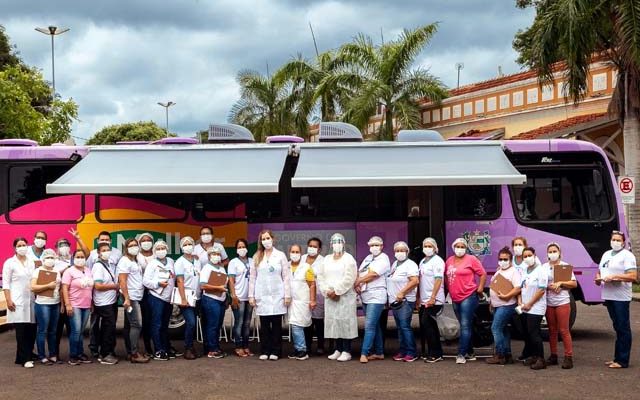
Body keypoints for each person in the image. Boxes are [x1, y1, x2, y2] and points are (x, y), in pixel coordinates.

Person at [595, 230, 637, 369]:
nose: (615, 242)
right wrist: (598, 278)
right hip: (608, 294)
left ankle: (623, 360)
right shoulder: (606, 254)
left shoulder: (627, 255)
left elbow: (632, 276)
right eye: (613, 239)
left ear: (623, 242)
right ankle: (617, 358)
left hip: (621, 296)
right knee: (617, 326)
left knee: (623, 327)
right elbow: (601, 270)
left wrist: (615, 277)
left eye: (618, 240)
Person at [248, 230, 291, 361]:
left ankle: (276, 351)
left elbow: (286, 276)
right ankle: (265, 350)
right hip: (263, 296)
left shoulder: (280, 255)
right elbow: (253, 278)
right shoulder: (257, 256)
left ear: (272, 239)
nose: (266, 241)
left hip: (278, 296)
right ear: (261, 241)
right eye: (263, 239)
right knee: (265, 326)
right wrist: (251, 296)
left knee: (277, 325)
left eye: (268, 238)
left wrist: (287, 295)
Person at [445, 238, 487, 365]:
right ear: (453, 247)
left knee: (465, 325)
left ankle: (461, 354)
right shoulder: (449, 260)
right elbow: (446, 277)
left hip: (468, 296)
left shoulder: (471, 259)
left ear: (466, 248)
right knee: (464, 325)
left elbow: (483, 273)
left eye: (462, 246)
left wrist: (480, 288)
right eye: (457, 246)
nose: (460, 248)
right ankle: (470, 352)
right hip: (455, 297)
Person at [317, 233, 358, 362]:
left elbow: (349, 277)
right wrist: (327, 291)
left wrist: (337, 291)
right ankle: (338, 349)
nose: (337, 244)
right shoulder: (327, 259)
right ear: (331, 244)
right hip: (330, 296)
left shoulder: (349, 258)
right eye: (334, 241)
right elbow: (321, 277)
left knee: (345, 322)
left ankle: (347, 350)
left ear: (344, 243)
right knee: (334, 322)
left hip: (344, 297)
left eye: (339, 241)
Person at [354, 236, 390, 363]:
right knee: (376, 325)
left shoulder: (384, 258)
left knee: (369, 325)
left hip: (377, 295)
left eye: (376, 245)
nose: (374, 247)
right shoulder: (368, 258)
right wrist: (358, 284)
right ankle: (379, 352)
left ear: (381, 246)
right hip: (365, 295)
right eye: (372, 245)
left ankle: (364, 352)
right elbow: (361, 272)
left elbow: (374, 274)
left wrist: (358, 281)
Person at [87, 231, 121, 359]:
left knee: (110, 326)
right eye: (103, 250)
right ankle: (103, 352)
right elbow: (97, 285)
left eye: (108, 249)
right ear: (99, 253)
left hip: (112, 300)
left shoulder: (112, 261)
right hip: (102, 302)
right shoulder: (97, 265)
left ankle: (109, 350)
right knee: (105, 326)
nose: (106, 251)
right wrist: (114, 286)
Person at [3, 237, 37, 368]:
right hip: (17, 300)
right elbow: (6, 283)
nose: (22, 247)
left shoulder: (31, 262)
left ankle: (23, 355)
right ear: (15, 248)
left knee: (31, 330)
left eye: (24, 244)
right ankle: (25, 359)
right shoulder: (10, 263)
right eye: (19, 245)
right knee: (21, 331)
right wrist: (8, 299)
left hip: (31, 299)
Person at [486, 247, 521, 365]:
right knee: (504, 329)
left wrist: (507, 296)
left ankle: (499, 355)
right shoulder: (499, 270)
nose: (503, 261)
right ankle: (507, 354)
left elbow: (517, 288)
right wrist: (491, 301)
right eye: (500, 259)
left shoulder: (514, 272)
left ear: (510, 260)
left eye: (505, 259)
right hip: (497, 304)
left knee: (495, 328)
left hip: (507, 304)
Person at [544, 242, 577, 369]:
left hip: (562, 302)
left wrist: (561, 283)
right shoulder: (543, 267)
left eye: (554, 251)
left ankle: (568, 357)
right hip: (549, 302)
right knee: (552, 330)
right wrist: (550, 286)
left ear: (559, 252)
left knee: (564, 330)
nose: (552, 254)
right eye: (550, 251)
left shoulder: (565, 266)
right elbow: (540, 283)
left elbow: (574, 284)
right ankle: (553, 356)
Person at [117, 238, 149, 364]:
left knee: (129, 325)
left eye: (136, 245)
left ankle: (131, 352)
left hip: (136, 296)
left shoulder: (134, 260)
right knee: (136, 324)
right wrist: (127, 298)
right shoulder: (124, 261)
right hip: (131, 297)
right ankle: (134, 354)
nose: (134, 247)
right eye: (131, 245)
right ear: (126, 248)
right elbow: (122, 281)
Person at [143, 240, 176, 361]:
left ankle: (166, 348)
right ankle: (158, 350)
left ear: (167, 249)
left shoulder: (171, 261)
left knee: (164, 325)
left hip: (168, 298)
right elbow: (145, 281)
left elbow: (174, 277)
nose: (161, 251)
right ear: (155, 251)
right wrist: (158, 283)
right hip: (156, 297)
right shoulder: (152, 264)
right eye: (158, 249)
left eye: (163, 248)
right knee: (156, 324)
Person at [387, 241, 419, 362]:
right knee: (400, 327)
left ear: (407, 252)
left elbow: (414, 281)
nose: (399, 253)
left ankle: (412, 352)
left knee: (405, 326)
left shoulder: (410, 265)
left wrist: (402, 292)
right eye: (397, 250)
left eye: (402, 250)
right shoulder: (395, 264)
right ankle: (403, 351)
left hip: (405, 300)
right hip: (395, 301)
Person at [61, 249, 94, 365]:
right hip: (74, 305)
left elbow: (91, 288)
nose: (80, 259)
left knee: (80, 331)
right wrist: (67, 304)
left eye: (82, 257)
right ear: (73, 258)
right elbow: (64, 288)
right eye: (78, 257)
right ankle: (73, 355)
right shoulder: (69, 272)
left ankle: (80, 353)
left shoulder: (88, 270)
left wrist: (92, 303)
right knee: (76, 330)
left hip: (86, 304)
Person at [518, 247, 548, 370]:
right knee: (526, 333)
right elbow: (521, 287)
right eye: (525, 256)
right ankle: (533, 356)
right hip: (524, 306)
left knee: (534, 333)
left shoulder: (541, 270)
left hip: (536, 307)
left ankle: (541, 359)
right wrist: (520, 302)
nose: (527, 258)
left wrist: (530, 303)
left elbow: (541, 290)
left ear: (534, 255)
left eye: (529, 255)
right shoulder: (524, 270)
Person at [30, 249, 62, 365]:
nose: (50, 260)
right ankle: (42, 356)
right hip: (43, 303)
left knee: (53, 331)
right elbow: (33, 287)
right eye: (47, 258)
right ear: (43, 259)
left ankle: (53, 355)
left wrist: (62, 303)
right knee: (42, 331)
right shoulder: (37, 271)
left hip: (55, 303)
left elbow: (60, 288)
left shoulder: (57, 271)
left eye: (52, 257)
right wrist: (48, 285)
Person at [417, 237, 445, 363]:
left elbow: (438, 279)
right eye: (425, 246)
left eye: (430, 246)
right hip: (424, 299)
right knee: (428, 325)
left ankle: (436, 353)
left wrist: (433, 297)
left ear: (435, 248)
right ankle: (433, 351)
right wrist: (418, 298)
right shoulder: (422, 261)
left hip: (434, 299)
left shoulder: (438, 261)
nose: (427, 248)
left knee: (427, 323)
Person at [287, 244, 316, 361]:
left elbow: (312, 284)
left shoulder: (306, 267)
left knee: (297, 325)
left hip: (303, 301)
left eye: (297, 252)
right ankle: (298, 349)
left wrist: (313, 300)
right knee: (294, 324)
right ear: (289, 253)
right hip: (291, 302)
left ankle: (302, 350)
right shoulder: (286, 266)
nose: (294, 254)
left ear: (301, 253)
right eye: (292, 252)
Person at [174, 236, 202, 360]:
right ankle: (188, 348)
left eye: (189, 244)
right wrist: (183, 298)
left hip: (198, 296)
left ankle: (193, 347)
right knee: (190, 323)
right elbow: (180, 281)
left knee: (195, 323)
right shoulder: (179, 262)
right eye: (185, 245)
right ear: (181, 247)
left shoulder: (197, 260)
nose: (188, 246)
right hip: (187, 298)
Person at [200, 247, 228, 359]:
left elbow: (225, 283)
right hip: (210, 299)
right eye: (214, 254)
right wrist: (218, 287)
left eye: (218, 254)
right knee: (212, 325)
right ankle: (212, 349)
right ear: (209, 256)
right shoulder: (206, 268)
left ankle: (215, 347)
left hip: (220, 299)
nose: (216, 256)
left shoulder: (221, 268)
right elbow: (203, 285)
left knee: (217, 325)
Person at [228, 238, 253, 357]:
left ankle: (246, 346)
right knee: (239, 322)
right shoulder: (233, 262)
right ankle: (238, 346)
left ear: (247, 248)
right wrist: (233, 295)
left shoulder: (252, 261)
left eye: (243, 246)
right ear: (236, 250)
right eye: (239, 247)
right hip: (238, 297)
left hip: (250, 297)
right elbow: (231, 280)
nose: (241, 249)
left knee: (247, 323)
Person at [302, 237, 325, 356]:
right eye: (310, 245)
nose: (312, 248)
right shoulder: (302, 259)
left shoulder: (323, 261)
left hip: (318, 295)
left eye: (315, 246)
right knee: (307, 321)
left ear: (319, 249)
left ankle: (321, 345)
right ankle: (307, 346)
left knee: (318, 321)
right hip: (304, 294)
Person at [137, 232, 156, 358]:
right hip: (142, 292)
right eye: (143, 240)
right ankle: (147, 346)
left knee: (156, 320)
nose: (146, 242)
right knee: (145, 320)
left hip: (156, 291)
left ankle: (158, 345)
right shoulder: (136, 256)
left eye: (149, 240)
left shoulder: (157, 255)